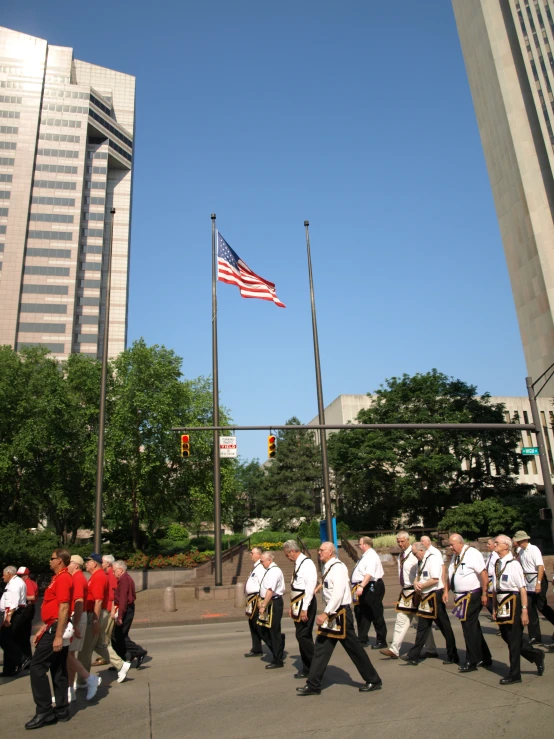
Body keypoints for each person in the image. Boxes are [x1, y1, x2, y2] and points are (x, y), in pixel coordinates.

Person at [296, 542, 382, 696]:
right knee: (321, 648)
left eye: (322, 550)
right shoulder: (329, 567)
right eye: (319, 550)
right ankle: (313, 684)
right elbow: (329, 586)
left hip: (340, 613)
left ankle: (373, 680)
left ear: (330, 551)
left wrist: (326, 613)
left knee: (354, 649)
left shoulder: (338, 567)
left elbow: (338, 593)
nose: (319, 552)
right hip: (333, 613)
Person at [25, 548, 73, 730]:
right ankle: (61, 709)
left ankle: (44, 711)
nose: (49, 561)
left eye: (52, 558)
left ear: (60, 560)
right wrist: (44, 628)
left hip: (57, 629)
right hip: (53, 626)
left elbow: (63, 608)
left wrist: (57, 635)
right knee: (58, 667)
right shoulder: (59, 578)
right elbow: (55, 609)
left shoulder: (62, 579)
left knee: (37, 666)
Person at [492, 534, 544, 684]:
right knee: (507, 636)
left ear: (506, 546)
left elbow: (522, 588)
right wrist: (494, 607)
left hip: (513, 601)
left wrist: (525, 610)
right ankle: (535, 655)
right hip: (502, 603)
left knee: (514, 638)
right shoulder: (497, 563)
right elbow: (495, 588)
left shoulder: (513, 564)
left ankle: (515, 674)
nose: (495, 545)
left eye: (497, 543)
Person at [380, 531, 437, 660]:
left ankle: (431, 648)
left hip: (415, 591)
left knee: (422, 621)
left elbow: (421, 570)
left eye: (402, 541)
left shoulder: (414, 553)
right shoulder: (403, 554)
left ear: (408, 540)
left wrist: (419, 588)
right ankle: (395, 649)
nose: (400, 544)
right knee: (402, 620)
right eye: (398, 541)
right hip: (406, 590)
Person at [401, 542, 459, 666]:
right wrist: (416, 583)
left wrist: (420, 585)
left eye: (415, 553)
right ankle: (414, 655)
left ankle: (452, 654)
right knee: (423, 625)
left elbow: (435, 579)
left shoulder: (433, 559)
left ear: (421, 550)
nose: (415, 556)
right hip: (425, 595)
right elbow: (418, 574)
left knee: (444, 625)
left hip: (434, 595)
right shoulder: (421, 561)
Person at [77, 553, 131, 686]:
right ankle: (121, 664)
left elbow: (99, 600)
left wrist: (95, 620)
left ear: (95, 563)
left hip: (97, 614)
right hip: (98, 614)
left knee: (86, 648)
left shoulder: (99, 577)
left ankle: (82, 680)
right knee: (99, 644)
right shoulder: (97, 576)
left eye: (88, 561)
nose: (86, 564)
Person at [443, 533, 492, 672]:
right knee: (473, 627)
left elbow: (483, 574)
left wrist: (484, 592)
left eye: (452, 544)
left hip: (472, 595)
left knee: (468, 628)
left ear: (460, 543)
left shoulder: (472, 553)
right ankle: (485, 657)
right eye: (449, 545)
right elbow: (450, 575)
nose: (450, 547)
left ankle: (472, 660)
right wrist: (448, 591)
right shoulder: (455, 556)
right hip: (461, 596)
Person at [67, 555, 101, 702]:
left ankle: (87, 679)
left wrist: (92, 621)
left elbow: (83, 601)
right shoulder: (79, 577)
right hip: (78, 618)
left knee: (68, 654)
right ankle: (71, 690)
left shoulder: (79, 578)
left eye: (68, 563)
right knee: (69, 655)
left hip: (78, 618)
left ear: (75, 565)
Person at [283, 540, 318, 679]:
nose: (287, 557)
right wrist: (293, 607)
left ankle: (313, 666)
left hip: (305, 602)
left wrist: (304, 608)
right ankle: (307, 667)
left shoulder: (307, 563)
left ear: (292, 551)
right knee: (303, 635)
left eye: (287, 554)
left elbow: (309, 588)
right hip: (298, 602)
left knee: (303, 635)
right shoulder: (298, 564)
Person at [513, 530, 554, 644]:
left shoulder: (534, 549)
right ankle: (535, 636)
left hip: (537, 578)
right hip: (527, 579)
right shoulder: (520, 551)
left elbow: (540, 567)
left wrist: (539, 583)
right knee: (530, 607)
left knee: (541, 606)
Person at [350, 536, 387, 649]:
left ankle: (381, 640)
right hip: (362, 586)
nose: (359, 546)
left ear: (365, 545)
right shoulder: (365, 556)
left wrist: (361, 586)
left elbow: (369, 573)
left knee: (375, 612)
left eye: (360, 544)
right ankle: (362, 638)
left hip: (370, 586)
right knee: (361, 612)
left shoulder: (371, 556)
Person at [111, 560, 147, 672]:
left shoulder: (124, 580)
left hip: (126, 610)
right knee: (119, 635)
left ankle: (137, 651)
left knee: (119, 635)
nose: (113, 573)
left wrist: (120, 616)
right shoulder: (125, 579)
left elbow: (123, 599)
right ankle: (126, 656)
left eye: (114, 571)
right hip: (126, 609)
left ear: (120, 570)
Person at [256, 551, 286, 668]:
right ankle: (277, 647)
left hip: (273, 602)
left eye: (262, 561)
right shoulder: (269, 570)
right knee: (261, 627)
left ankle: (278, 659)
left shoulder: (274, 571)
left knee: (273, 630)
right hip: (268, 601)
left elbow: (270, 590)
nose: (261, 563)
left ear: (269, 560)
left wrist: (263, 605)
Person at [0, 566, 27, 677]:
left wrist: (8, 617)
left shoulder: (15, 584)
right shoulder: (12, 582)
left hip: (14, 613)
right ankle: (9, 669)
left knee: (5, 639)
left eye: (4, 574)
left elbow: (14, 603)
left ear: (9, 573)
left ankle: (22, 658)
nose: (2, 576)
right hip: (11, 612)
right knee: (9, 639)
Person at [92, 555, 118, 667]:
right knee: (104, 635)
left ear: (108, 563)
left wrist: (112, 610)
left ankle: (108, 658)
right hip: (107, 607)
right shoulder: (107, 574)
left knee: (104, 635)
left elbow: (113, 594)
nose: (100, 563)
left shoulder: (110, 575)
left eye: (102, 562)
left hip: (107, 608)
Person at [243, 546, 265, 658]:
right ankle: (256, 648)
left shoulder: (260, 568)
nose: (250, 555)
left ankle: (275, 643)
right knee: (252, 623)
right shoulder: (256, 568)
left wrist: (261, 600)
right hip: (251, 598)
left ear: (259, 555)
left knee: (258, 624)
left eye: (252, 553)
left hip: (256, 598)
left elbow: (263, 584)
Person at [16, 566, 38, 670]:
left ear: (26, 575)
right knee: (23, 635)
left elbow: (32, 596)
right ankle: (26, 659)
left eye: (21, 575)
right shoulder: (27, 582)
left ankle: (26, 659)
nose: (19, 577)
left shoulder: (27, 582)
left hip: (27, 609)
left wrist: (17, 597)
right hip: (29, 609)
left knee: (22, 635)